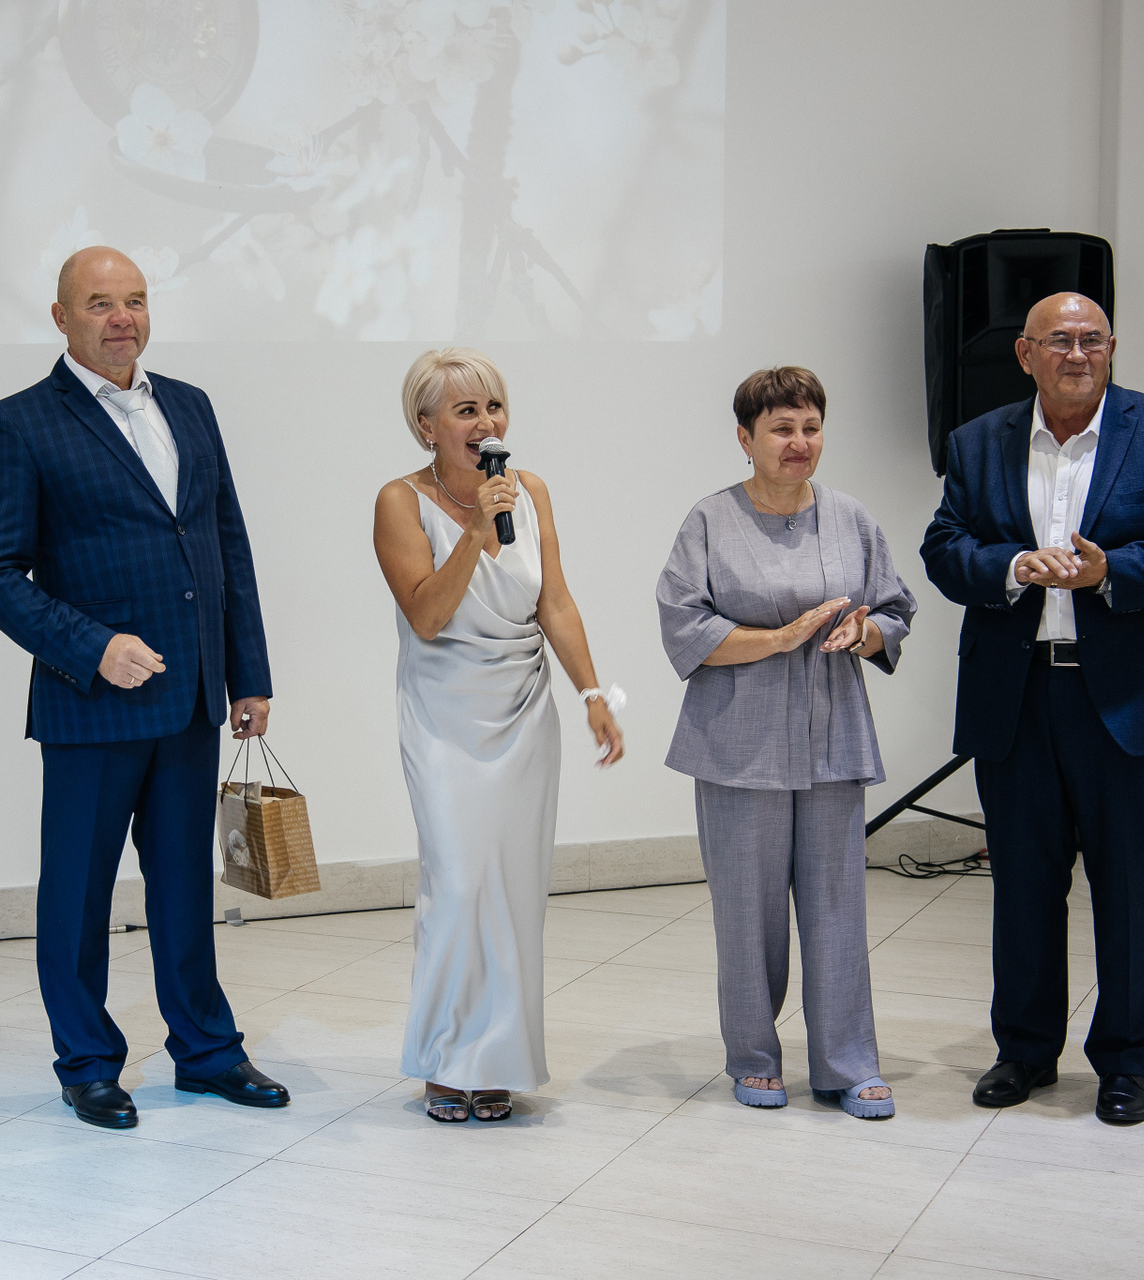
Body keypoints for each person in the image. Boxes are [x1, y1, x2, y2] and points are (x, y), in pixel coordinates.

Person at [0, 246, 288, 1130]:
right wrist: (93, 646)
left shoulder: (190, 404)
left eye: (135, 301)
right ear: (61, 317)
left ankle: (208, 1053)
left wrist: (248, 672)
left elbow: (226, 544)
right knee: (78, 893)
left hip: (191, 698)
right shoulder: (20, 423)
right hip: (91, 704)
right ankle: (87, 1062)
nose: (122, 318)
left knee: (184, 887)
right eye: (100, 303)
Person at [921, 293, 1144, 1126]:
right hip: (1016, 694)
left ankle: (1126, 1064)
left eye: (1092, 339)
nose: (1077, 353)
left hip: (1127, 699)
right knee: (1023, 881)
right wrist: (1009, 566)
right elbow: (943, 547)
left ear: (1112, 348)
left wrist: (1111, 572)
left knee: (1127, 884)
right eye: (1058, 340)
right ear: (1025, 354)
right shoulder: (977, 440)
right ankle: (1025, 1050)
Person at [373, 348, 625, 1124]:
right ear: (427, 426)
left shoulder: (531, 491)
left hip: (523, 713)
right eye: (466, 411)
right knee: (457, 886)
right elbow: (427, 614)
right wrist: (475, 529)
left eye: (494, 407)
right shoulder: (399, 501)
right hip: (445, 718)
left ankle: (495, 1063)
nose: (486, 423)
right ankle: (443, 1060)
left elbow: (555, 602)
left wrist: (591, 692)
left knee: (513, 891)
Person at [656, 367, 915, 1121]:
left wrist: (865, 632)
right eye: (781, 429)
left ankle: (848, 1065)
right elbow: (684, 625)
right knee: (748, 913)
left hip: (834, 735)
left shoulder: (851, 517)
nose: (798, 442)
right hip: (738, 743)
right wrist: (779, 638)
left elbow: (895, 608)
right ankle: (753, 1058)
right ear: (746, 439)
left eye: (810, 427)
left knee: (837, 907)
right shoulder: (709, 521)